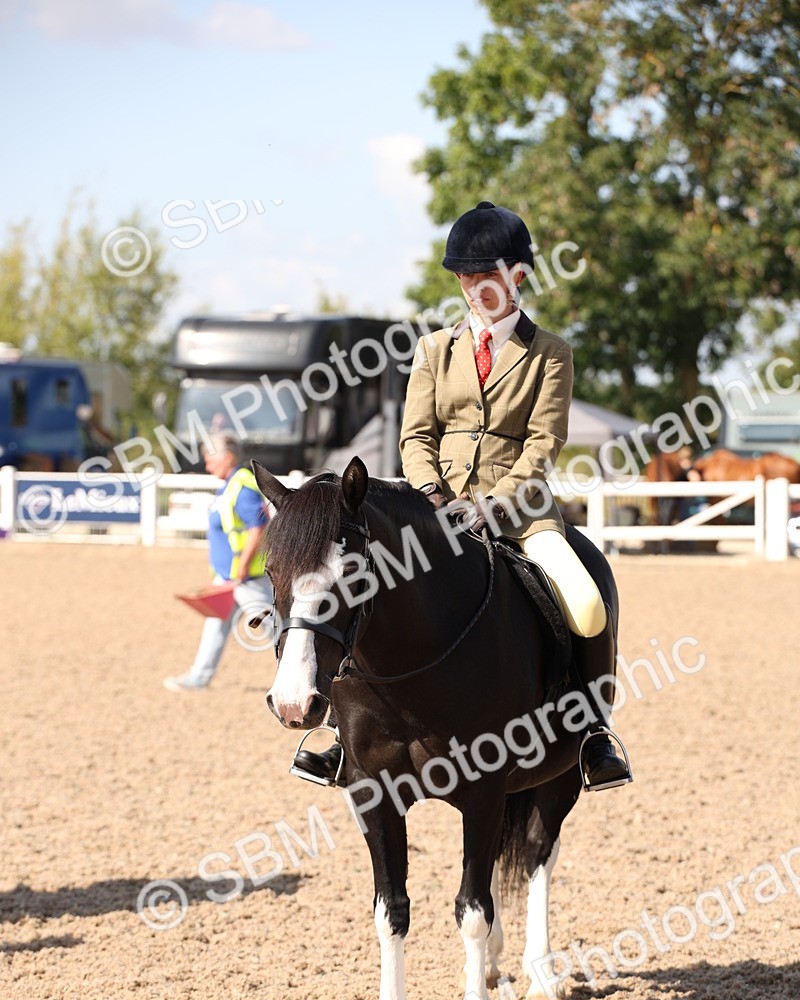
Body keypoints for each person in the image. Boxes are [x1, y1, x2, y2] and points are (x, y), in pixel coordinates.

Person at [297, 200, 631, 789]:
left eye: (485, 278)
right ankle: (337, 735)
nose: (473, 289)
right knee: (358, 585)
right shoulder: (433, 350)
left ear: (517, 276)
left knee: (586, 601)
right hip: (430, 509)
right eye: (465, 279)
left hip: (520, 514)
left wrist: (489, 505)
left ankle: (594, 734)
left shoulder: (550, 354)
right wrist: (429, 494)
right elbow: (415, 435)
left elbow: (543, 444)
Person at [163, 432, 273, 692]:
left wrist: (242, 569)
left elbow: (257, 528)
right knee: (215, 625)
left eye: (210, 459)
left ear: (228, 457)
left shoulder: (241, 485)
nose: (207, 465)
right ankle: (199, 678)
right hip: (231, 577)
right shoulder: (229, 485)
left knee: (275, 630)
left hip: (246, 580)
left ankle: (312, 677)